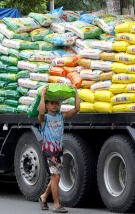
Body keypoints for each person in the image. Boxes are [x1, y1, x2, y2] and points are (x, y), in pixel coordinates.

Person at [37, 85, 80, 213]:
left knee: (56, 178)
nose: (55, 105)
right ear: (47, 105)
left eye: (57, 103)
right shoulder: (44, 119)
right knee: (55, 176)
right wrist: (43, 95)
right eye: (52, 103)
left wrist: (76, 93)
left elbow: (77, 108)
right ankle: (56, 204)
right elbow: (40, 112)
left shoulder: (62, 117)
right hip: (49, 151)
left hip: (58, 150)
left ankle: (43, 197)